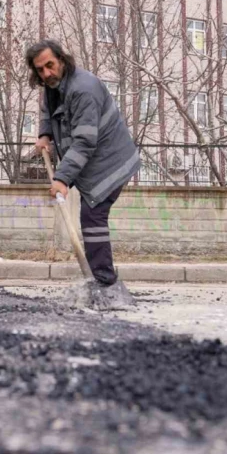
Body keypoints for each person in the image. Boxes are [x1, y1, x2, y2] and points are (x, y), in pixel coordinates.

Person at [26, 39, 140, 287]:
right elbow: (48, 109)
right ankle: (100, 279)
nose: (46, 73)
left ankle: (104, 283)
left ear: (62, 60)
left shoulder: (83, 90)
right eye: (40, 69)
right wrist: (45, 134)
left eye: (50, 65)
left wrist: (62, 178)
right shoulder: (54, 85)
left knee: (92, 216)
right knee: (91, 216)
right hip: (94, 160)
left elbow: (84, 141)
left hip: (111, 163)